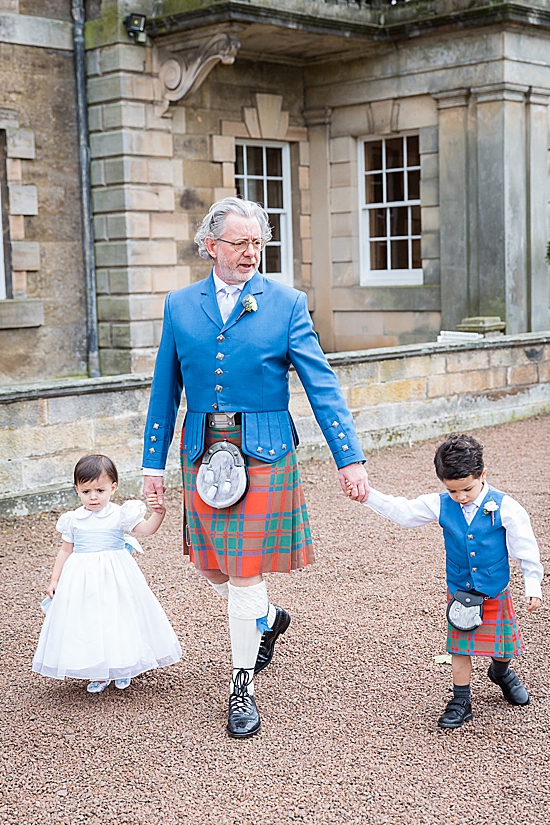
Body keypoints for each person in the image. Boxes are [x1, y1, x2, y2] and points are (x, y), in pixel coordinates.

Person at [143, 197, 369, 738]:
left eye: (258, 243)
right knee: (208, 565)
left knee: (244, 573)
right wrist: (152, 464)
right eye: (240, 243)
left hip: (265, 451)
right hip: (201, 451)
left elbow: (321, 384)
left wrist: (349, 457)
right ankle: (266, 620)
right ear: (210, 246)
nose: (251, 253)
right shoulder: (179, 305)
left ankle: (240, 686)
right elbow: (163, 391)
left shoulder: (286, 303)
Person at [357, 434, 543, 729]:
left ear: (483, 475)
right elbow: (403, 512)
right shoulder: (441, 503)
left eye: (467, 489)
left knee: (504, 646)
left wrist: (533, 585)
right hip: (460, 593)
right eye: (453, 491)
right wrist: (368, 495)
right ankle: (461, 699)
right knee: (460, 648)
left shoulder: (507, 507)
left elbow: (525, 549)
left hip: (494, 590)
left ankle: (501, 671)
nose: (461, 497)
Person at [32, 454, 182, 693]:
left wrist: (159, 513)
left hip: (116, 577)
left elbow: (147, 530)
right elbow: (65, 550)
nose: (93, 497)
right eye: (86, 491)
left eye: (100, 491)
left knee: (118, 617)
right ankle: (98, 670)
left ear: (113, 487)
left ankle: (123, 666)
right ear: (77, 490)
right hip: (82, 581)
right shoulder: (73, 520)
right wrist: (55, 579)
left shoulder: (119, 514)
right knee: (90, 620)